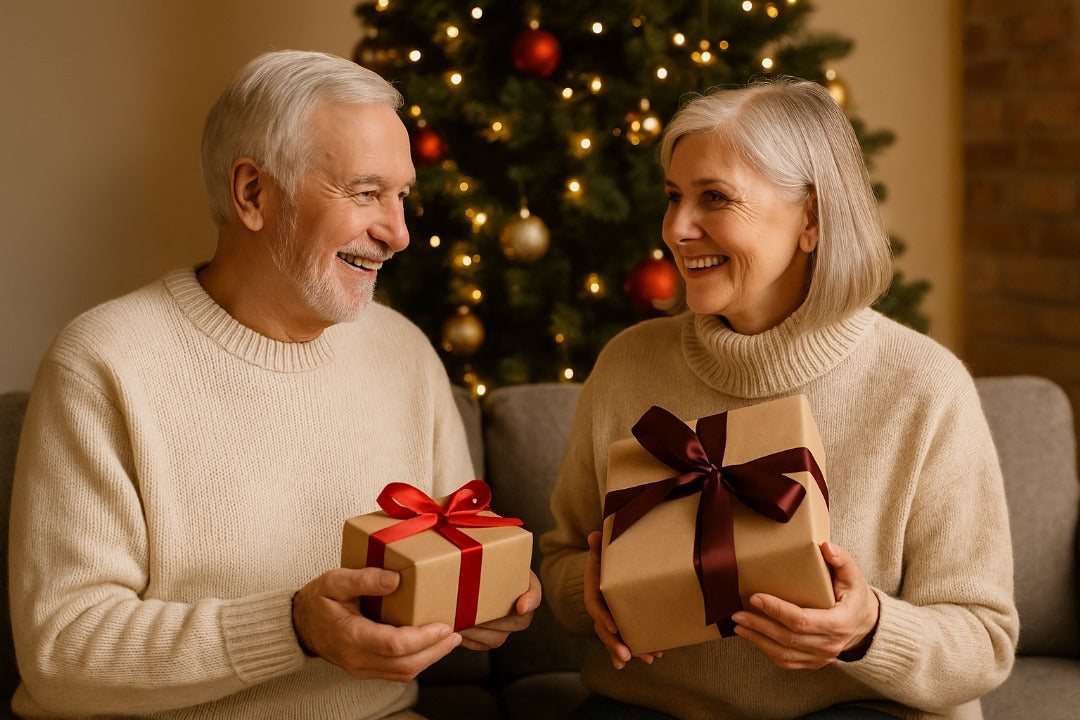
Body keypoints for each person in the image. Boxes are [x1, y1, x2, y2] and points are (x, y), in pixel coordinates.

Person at [8, 50, 539, 719]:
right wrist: (294, 628)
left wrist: (491, 601)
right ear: (252, 193)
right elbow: (63, 651)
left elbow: (457, 550)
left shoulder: (404, 351)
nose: (399, 233)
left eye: (401, 196)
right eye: (365, 192)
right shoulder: (103, 363)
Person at [539, 78, 1017, 720]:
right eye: (674, 197)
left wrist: (868, 629)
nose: (677, 229)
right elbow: (562, 560)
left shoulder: (923, 386)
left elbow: (985, 642)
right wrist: (591, 589)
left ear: (812, 220)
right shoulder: (628, 364)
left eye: (715, 198)